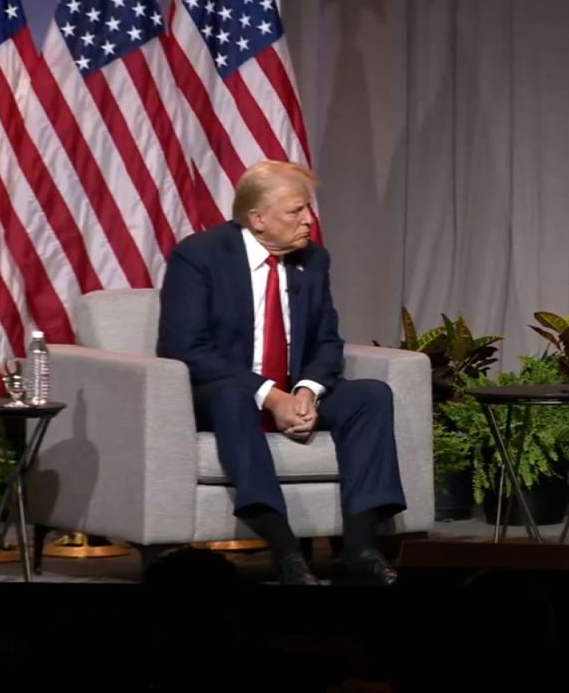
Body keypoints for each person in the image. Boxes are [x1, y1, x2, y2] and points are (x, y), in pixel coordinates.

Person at [157, 160, 405, 585]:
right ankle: (285, 549)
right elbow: (184, 347)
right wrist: (271, 395)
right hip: (222, 396)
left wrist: (307, 391)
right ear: (258, 218)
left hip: (292, 393)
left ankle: (360, 548)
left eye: (308, 209)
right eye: (296, 211)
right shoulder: (199, 256)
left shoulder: (314, 261)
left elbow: (328, 341)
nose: (308, 220)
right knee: (233, 395)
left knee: (371, 395)